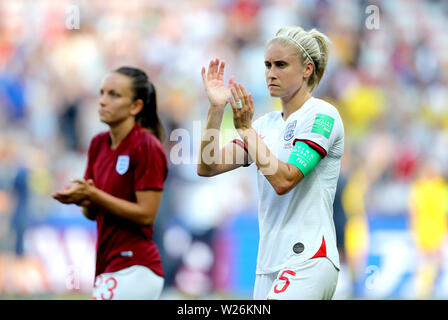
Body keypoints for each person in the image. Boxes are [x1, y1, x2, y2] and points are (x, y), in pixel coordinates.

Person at [197, 26, 344, 300]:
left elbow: (284, 180)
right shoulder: (265, 125)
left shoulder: (323, 115)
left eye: (281, 64)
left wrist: (247, 131)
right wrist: (216, 109)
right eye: (267, 65)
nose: (271, 73)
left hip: (309, 257)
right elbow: (208, 166)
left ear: (307, 69)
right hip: (268, 264)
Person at [52, 66, 168, 300]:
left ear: (136, 106)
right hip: (107, 264)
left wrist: (94, 195)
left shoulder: (146, 146)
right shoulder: (98, 143)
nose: (103, 101)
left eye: (114, 95)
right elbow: (91, 213)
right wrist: (81, 197)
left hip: (136, 264)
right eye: (102, 93)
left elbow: (147, 214)